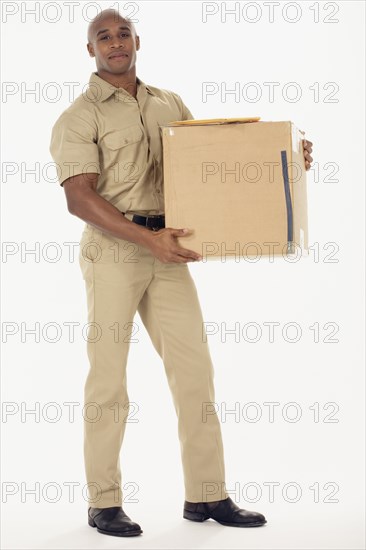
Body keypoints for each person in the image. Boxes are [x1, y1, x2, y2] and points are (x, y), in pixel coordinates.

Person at [49, 8, 313, 538]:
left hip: (168, 251)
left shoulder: (168, 103)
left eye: (123, 32)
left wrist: (282, 161)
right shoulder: (79, 117)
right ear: (90, 50)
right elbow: (79, 198)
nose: (115, 42)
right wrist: (146, 239)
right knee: (109, 379)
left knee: (195, 373)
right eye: (103, 36)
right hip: (114, 253)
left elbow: (206, 165)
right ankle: (103, 501)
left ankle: (207, 495)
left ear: (137, 41)